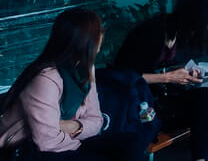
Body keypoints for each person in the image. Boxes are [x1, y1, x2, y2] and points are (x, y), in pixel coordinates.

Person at [0, 9, 146, 160]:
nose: (102, 36)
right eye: (98, 32)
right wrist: (81, 142)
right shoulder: (45, 79)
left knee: (131, 142)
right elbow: (47, 141)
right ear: (84, 40)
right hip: (29, 149)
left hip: (69, 138)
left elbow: (96, 121)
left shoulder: (86, 68)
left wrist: (72, 126)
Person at [111, 0, 208, 161]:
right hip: (139, 107)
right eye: (204, 25)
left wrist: (180, 73)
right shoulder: (153, 32)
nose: (203, 30)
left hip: (160, 99)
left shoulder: (175, 33)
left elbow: (155, 70)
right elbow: (126, 76)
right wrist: (168, 77)